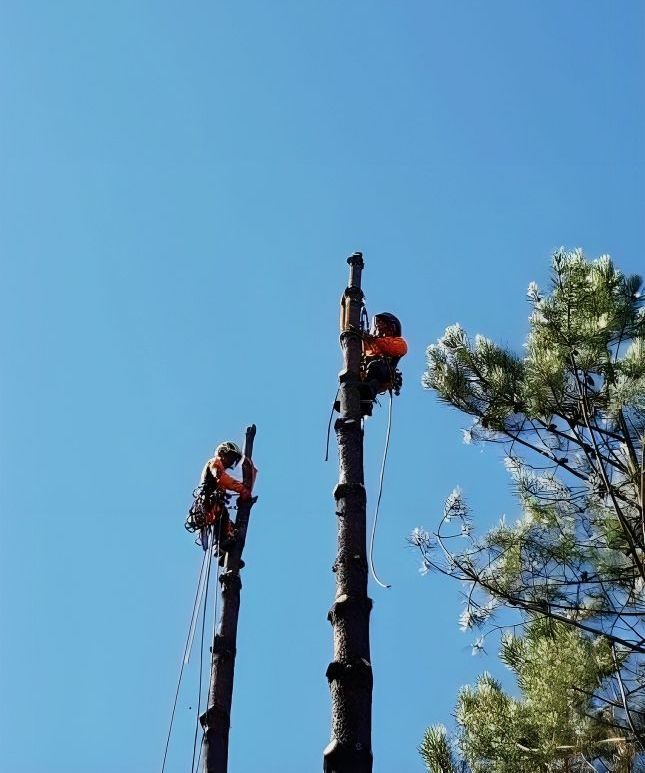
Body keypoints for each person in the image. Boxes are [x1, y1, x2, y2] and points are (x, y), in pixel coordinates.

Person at [186, 441, 253, 551]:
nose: (232, 461)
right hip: (208, 503)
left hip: (211, 506)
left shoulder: (219, 480)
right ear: (222, 453)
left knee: (226, 521)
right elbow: (221, 477)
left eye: (234, 458)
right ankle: (219, 545)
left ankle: (224, 549)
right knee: (222, 513)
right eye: (231, 456)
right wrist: (242, 490)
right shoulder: (215, 462)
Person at [361, 312, 408, 402]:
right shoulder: (372, 344)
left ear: (391, 327)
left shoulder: (399, 342)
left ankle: (368, 391)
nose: (378, 325)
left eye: (381, 322)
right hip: (367, 373)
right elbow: (366, 351)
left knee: (375, 366)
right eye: (377, 322)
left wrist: (374, 340)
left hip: (383, 373)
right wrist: (362, 338)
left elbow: (394, 348)